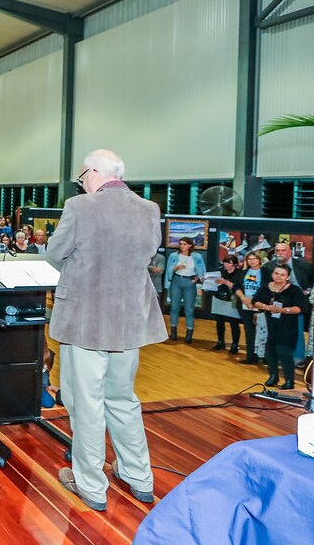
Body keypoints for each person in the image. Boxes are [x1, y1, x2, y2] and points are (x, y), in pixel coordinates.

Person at [47, 149, 164, 512]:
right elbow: (148, 255)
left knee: (86, 403)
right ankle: (139, 477)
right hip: (128, 323)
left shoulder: (80, 207)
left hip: (86, 322)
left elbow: (54, 253)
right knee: (123, 399)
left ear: (94, 172)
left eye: (82, 176)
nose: (82, 183)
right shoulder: (149, 210)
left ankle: (92, 485)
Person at [252, 265, 310, 389]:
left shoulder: (294, 290)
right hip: (271, 325)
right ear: (272, 274)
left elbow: (301, 308)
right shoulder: (266, 287)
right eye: (277, 273)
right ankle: (273, 376)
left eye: (282, 274)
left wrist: (283, 310)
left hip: (288, 326)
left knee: (284, 352)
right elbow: (255, 301)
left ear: (288, 277)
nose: (279, 276)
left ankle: (289, 380)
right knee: (270, 351)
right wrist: (266, 307)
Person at [262, 241, 314, 362]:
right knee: (276, 330)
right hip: (277, 303)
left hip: (297, 303)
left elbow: (313, 281)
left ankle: (297, 357)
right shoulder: (268, 266)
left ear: (290, 252)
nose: (280, 253)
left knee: (297, 330)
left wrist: (307, 291)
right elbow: (265, 285)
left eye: (283, 250)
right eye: (277, 251)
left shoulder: (303, 265)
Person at [164, 237, 206, 343]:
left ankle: (189, 333)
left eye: (185, 244)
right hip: (176, 281)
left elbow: (201, 271)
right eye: (181, 244)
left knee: (189, 309)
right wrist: (176, 267)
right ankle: (173, 332)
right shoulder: (174, 255)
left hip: (189, 282)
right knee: (174, 307)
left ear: (190, 245)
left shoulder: (197, 256)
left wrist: (196, 279)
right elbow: (169, 269)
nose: (182, 246)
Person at [234, 253, 268, 364]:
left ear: (259, 260)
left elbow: (267, 288)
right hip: (245, 305)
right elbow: (236, 286)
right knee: (249, 331)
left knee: (263, 331)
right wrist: (244, 298)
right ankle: (250, 356)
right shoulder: (243, 273)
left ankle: (264, 356)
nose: (252, 261)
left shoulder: (266, 272)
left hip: (260, 305)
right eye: (249, 259)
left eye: (254, 259)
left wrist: (254, 300)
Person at [209, 256, 243, 352]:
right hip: (219, 298)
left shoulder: (239, 274)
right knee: (219, 321)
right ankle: (220, 341)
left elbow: (238, 286)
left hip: (231, 300)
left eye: (229, 263)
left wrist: (226, 282)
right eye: (225, 263)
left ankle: (235, 344)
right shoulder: (220, 272)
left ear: (235, 264)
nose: (226, 265)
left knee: (234, 323)